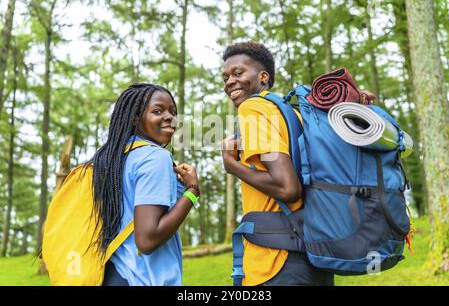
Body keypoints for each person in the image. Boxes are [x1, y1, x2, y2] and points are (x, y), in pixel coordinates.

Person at [221, 41, 334, 286]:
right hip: (312, 256)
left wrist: (233, 166)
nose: (229, 81)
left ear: (263, 76)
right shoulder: (293, 114)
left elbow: (287, 188)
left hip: (276, 263)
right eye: (226, 77)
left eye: (238, 73)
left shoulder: (253, 108)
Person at [88, 83, 200, 286]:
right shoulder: (154, 157)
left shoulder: (113, 158)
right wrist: (192, 192)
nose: (169, 117)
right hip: (141, 278)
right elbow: (148, 239)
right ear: (134, 118)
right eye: (157, 111)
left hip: (111, 274)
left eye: (172, 112)